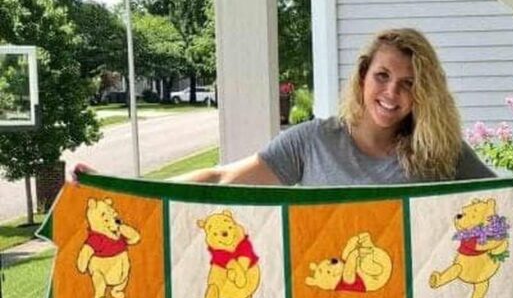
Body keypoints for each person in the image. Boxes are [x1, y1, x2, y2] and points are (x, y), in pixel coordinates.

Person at [164, 28, 494, 187]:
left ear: (424, 92)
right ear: (363, 76)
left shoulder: (442, 151)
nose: (392, 92)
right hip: (326, 294)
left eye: (408, 83)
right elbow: (223, 178)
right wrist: (142, 196)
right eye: (382, 76)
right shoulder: (312, 142)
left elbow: (505, 203)